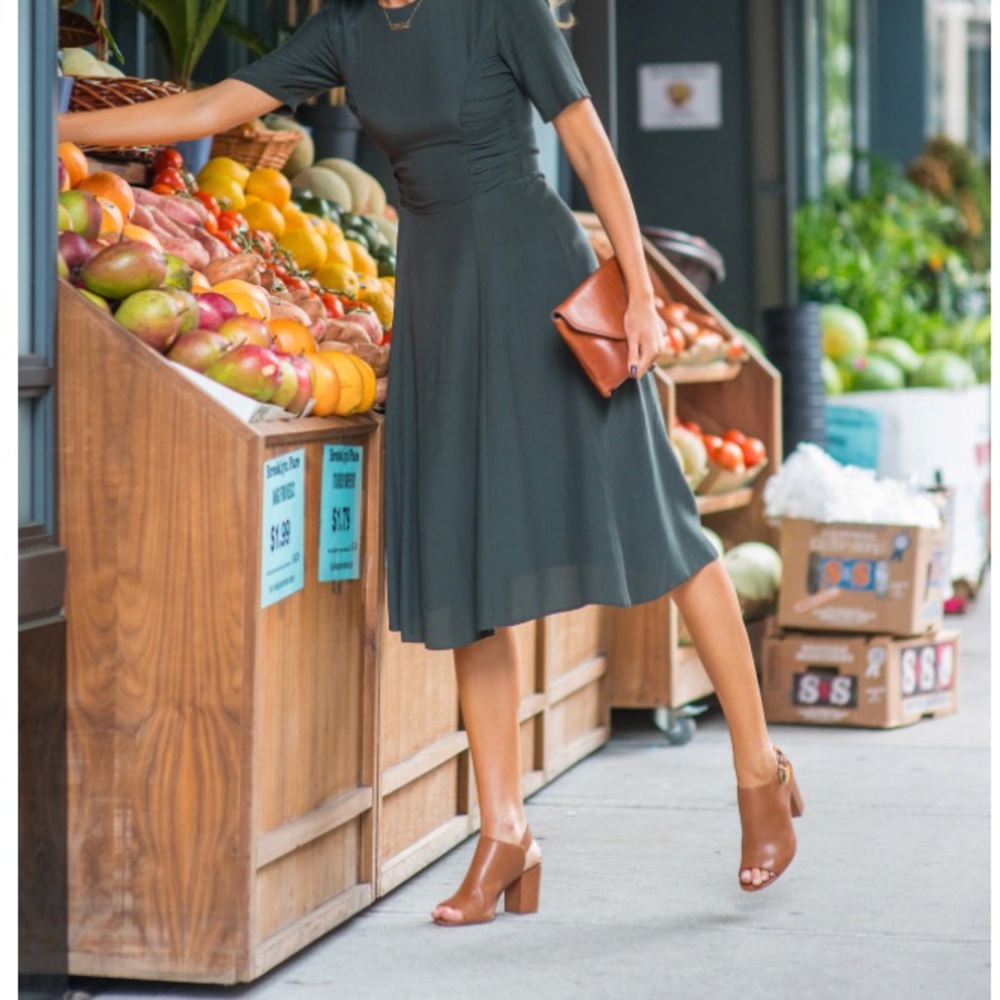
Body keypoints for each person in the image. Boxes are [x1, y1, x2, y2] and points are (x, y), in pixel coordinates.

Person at [60, 0, 803, 926]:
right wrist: (53, 124)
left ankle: (759, 773)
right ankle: (504, 834)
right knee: (462, 554)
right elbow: (209, 109)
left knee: (665, 528)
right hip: (440, 300)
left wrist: (643, 293)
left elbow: (587, 143)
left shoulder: (503, 12)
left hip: (544, 288)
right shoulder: (345, 31)